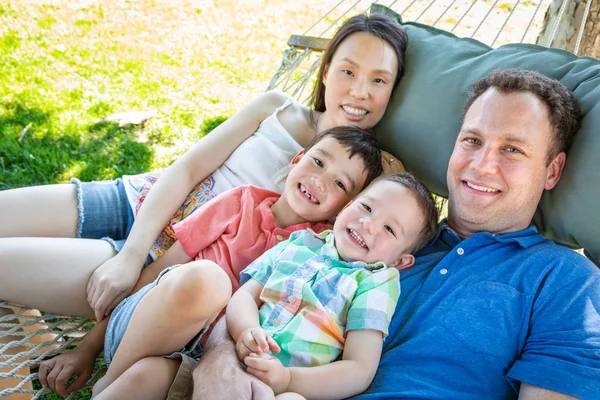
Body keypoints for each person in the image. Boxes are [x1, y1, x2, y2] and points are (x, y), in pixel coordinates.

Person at [0, 13, 407, 396]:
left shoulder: (372, 185)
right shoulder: (276, 107)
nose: (358, 91)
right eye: (348, 71)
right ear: (326, 69)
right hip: (142, 206)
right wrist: (130, 255)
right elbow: (189, 167)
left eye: (378, 80)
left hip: (175, 283)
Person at [190, 69, 600, 400]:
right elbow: (262, 300)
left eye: (513, 149)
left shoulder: (565, 281)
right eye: (472, 140)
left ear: (552, 170)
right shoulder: (368, 238)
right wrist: (220, 361)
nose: (482, 165)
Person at [40, 126, 384, 399]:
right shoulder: (239, 203)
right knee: (210, 281)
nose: (319, 181)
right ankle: (107, 382)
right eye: (318, 162)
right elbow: (156, 274)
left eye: (340, 183)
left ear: (345, 208)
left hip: (203, 366)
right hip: (145, 328)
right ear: (296, 160)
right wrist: (87, 348)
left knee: (151, 379)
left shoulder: (317, 251)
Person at [227, 172, 438, 400]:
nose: (368, 224)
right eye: (366, 207)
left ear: (400, 261)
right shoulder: (300, 242)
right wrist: (246, 330)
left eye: (389, 229)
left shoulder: (375, 283)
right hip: (234, 360)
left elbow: (359, 369)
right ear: (347, 206)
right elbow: (246, 295)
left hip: (288, 388)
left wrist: (288, 379)